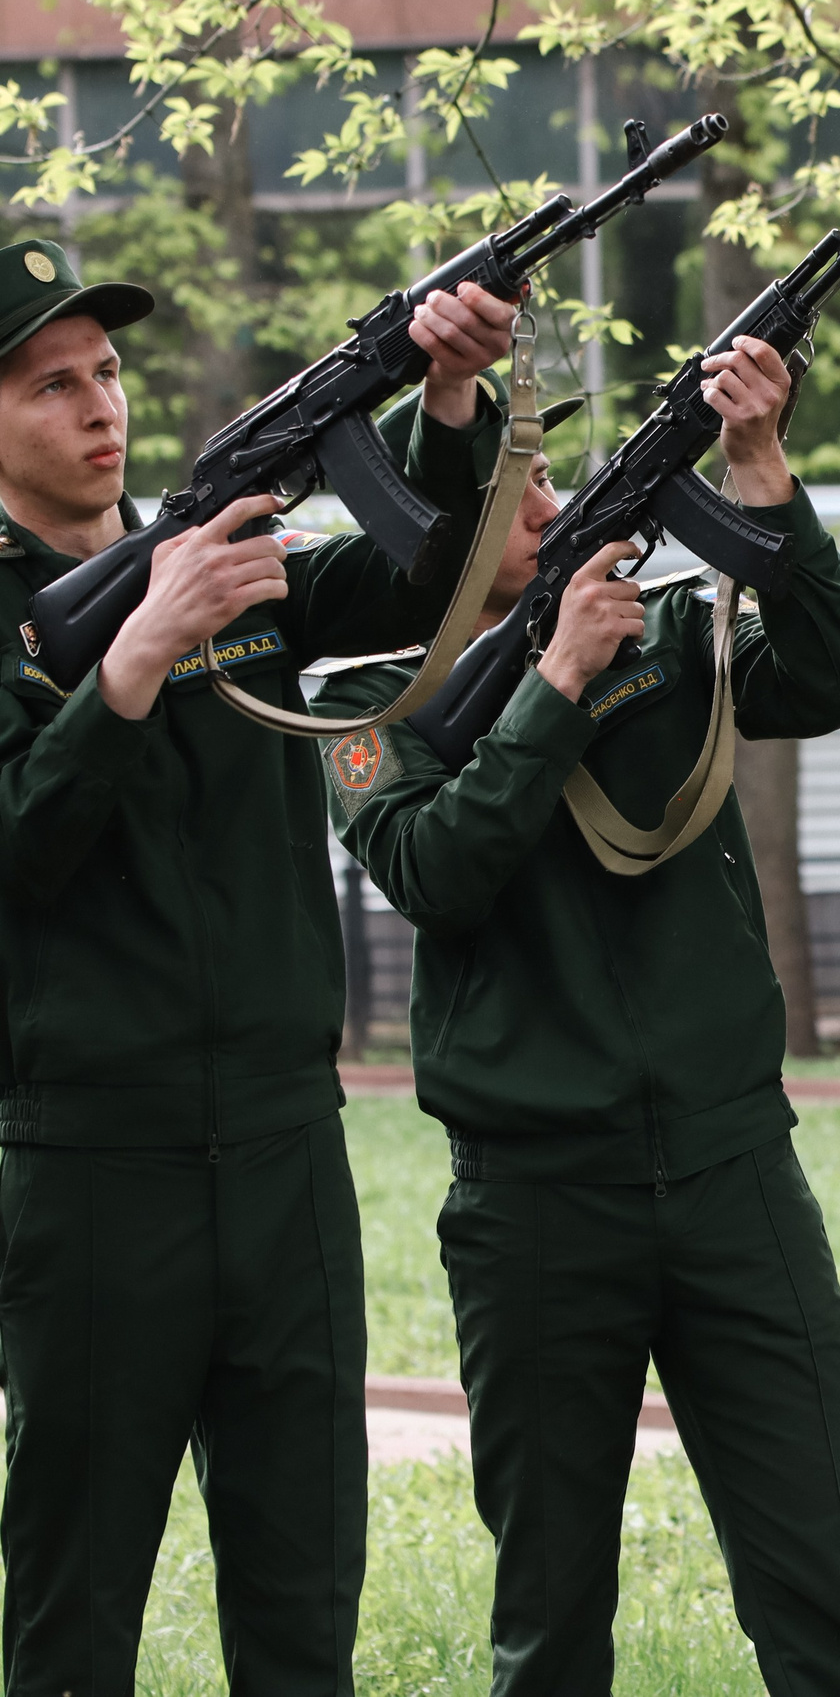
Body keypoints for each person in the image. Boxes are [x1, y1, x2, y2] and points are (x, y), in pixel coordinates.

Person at [315, 336, 840, 1697]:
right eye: (521, 496)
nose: (555, 508)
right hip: (535, 1201)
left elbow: (827, 679)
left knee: (829, 1584)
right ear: (444, 529)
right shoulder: (365, 705)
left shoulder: (666, 627)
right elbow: (432, 867)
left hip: (730, 1167)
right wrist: (551, 689)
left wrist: (761, 470)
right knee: (551, 1612)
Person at [0, 237, 516, 1692]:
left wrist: (453, 397)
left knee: (303, 1596)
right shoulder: (71, 612)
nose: (97, 403)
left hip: (288, 1147)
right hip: (97, 1164)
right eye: (50, 385)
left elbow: (430, 573)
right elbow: (18, 855)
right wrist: (133, 660)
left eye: (105, 372)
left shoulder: (232, 564)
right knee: (73, 1603)